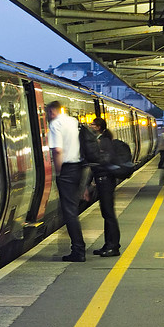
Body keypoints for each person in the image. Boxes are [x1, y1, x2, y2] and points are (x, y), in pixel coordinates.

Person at [47, 101, 85, 262]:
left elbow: (57, 150)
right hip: (78, 167)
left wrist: (59, 171)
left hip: (67, 170)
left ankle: (78, 250)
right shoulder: (73, 121)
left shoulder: (56, 124)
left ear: (51, 111)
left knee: (69, 212)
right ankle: (78, 248)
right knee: (73, 209)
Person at [90, 117, 120, 257]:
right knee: (107, 214)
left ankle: (113, 246)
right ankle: (109, 244)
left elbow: (103, 161)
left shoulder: (103, 142)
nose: (90, 126)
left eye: (92, 124)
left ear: (98, 127)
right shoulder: (104, 140)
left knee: (108, 214)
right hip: (105, 180)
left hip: (105, 180)